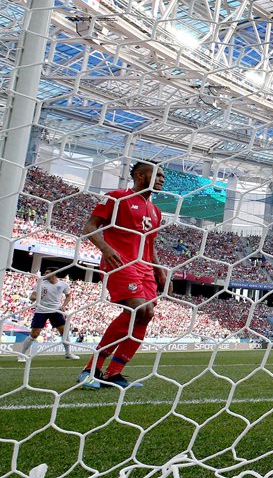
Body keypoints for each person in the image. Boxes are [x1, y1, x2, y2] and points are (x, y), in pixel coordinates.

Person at [78, 161, 166, 389]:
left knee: (146, 314)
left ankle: (113, 373)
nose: (162, 179)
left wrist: (159, 270)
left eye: (163, 176)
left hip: (145, 267)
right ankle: (90, 370)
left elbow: (150, 244)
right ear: (140, 175)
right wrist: (106, 249)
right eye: (157, 175)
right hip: (119, 262)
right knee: (138, 308)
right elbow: (90, 227)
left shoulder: (156, 211)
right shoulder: (116, 197)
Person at [18, 271, 78, 361]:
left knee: (64, 332)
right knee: (34, 334)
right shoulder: (41, 283)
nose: (45, 274)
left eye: (47, 273)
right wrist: (36, 297)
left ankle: (68, 353)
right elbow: (32, 296)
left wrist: (63, 306)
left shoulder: (63, 284)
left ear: (54, 274)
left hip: (55, 310)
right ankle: (21, 355)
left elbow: (68, 296)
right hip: (41, 310)